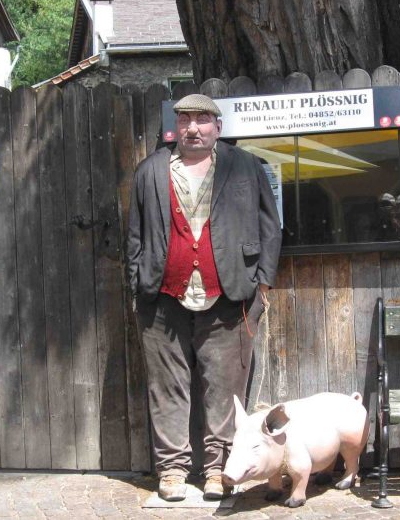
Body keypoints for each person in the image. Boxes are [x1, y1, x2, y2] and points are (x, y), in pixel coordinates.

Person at [126, 93, 282, 501]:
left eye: (202, 120)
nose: (193, 128)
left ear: (218, 127)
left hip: (231, 295)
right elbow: (135, 235)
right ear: (175, 127)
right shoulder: (150, 171)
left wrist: (263, 281)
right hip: (161, 297)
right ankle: (172, 469)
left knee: (224, 388)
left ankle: (217, 469)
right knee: (167, 387)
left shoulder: (245, 166)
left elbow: (271, 227)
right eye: (185, 121)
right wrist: (136, 282)